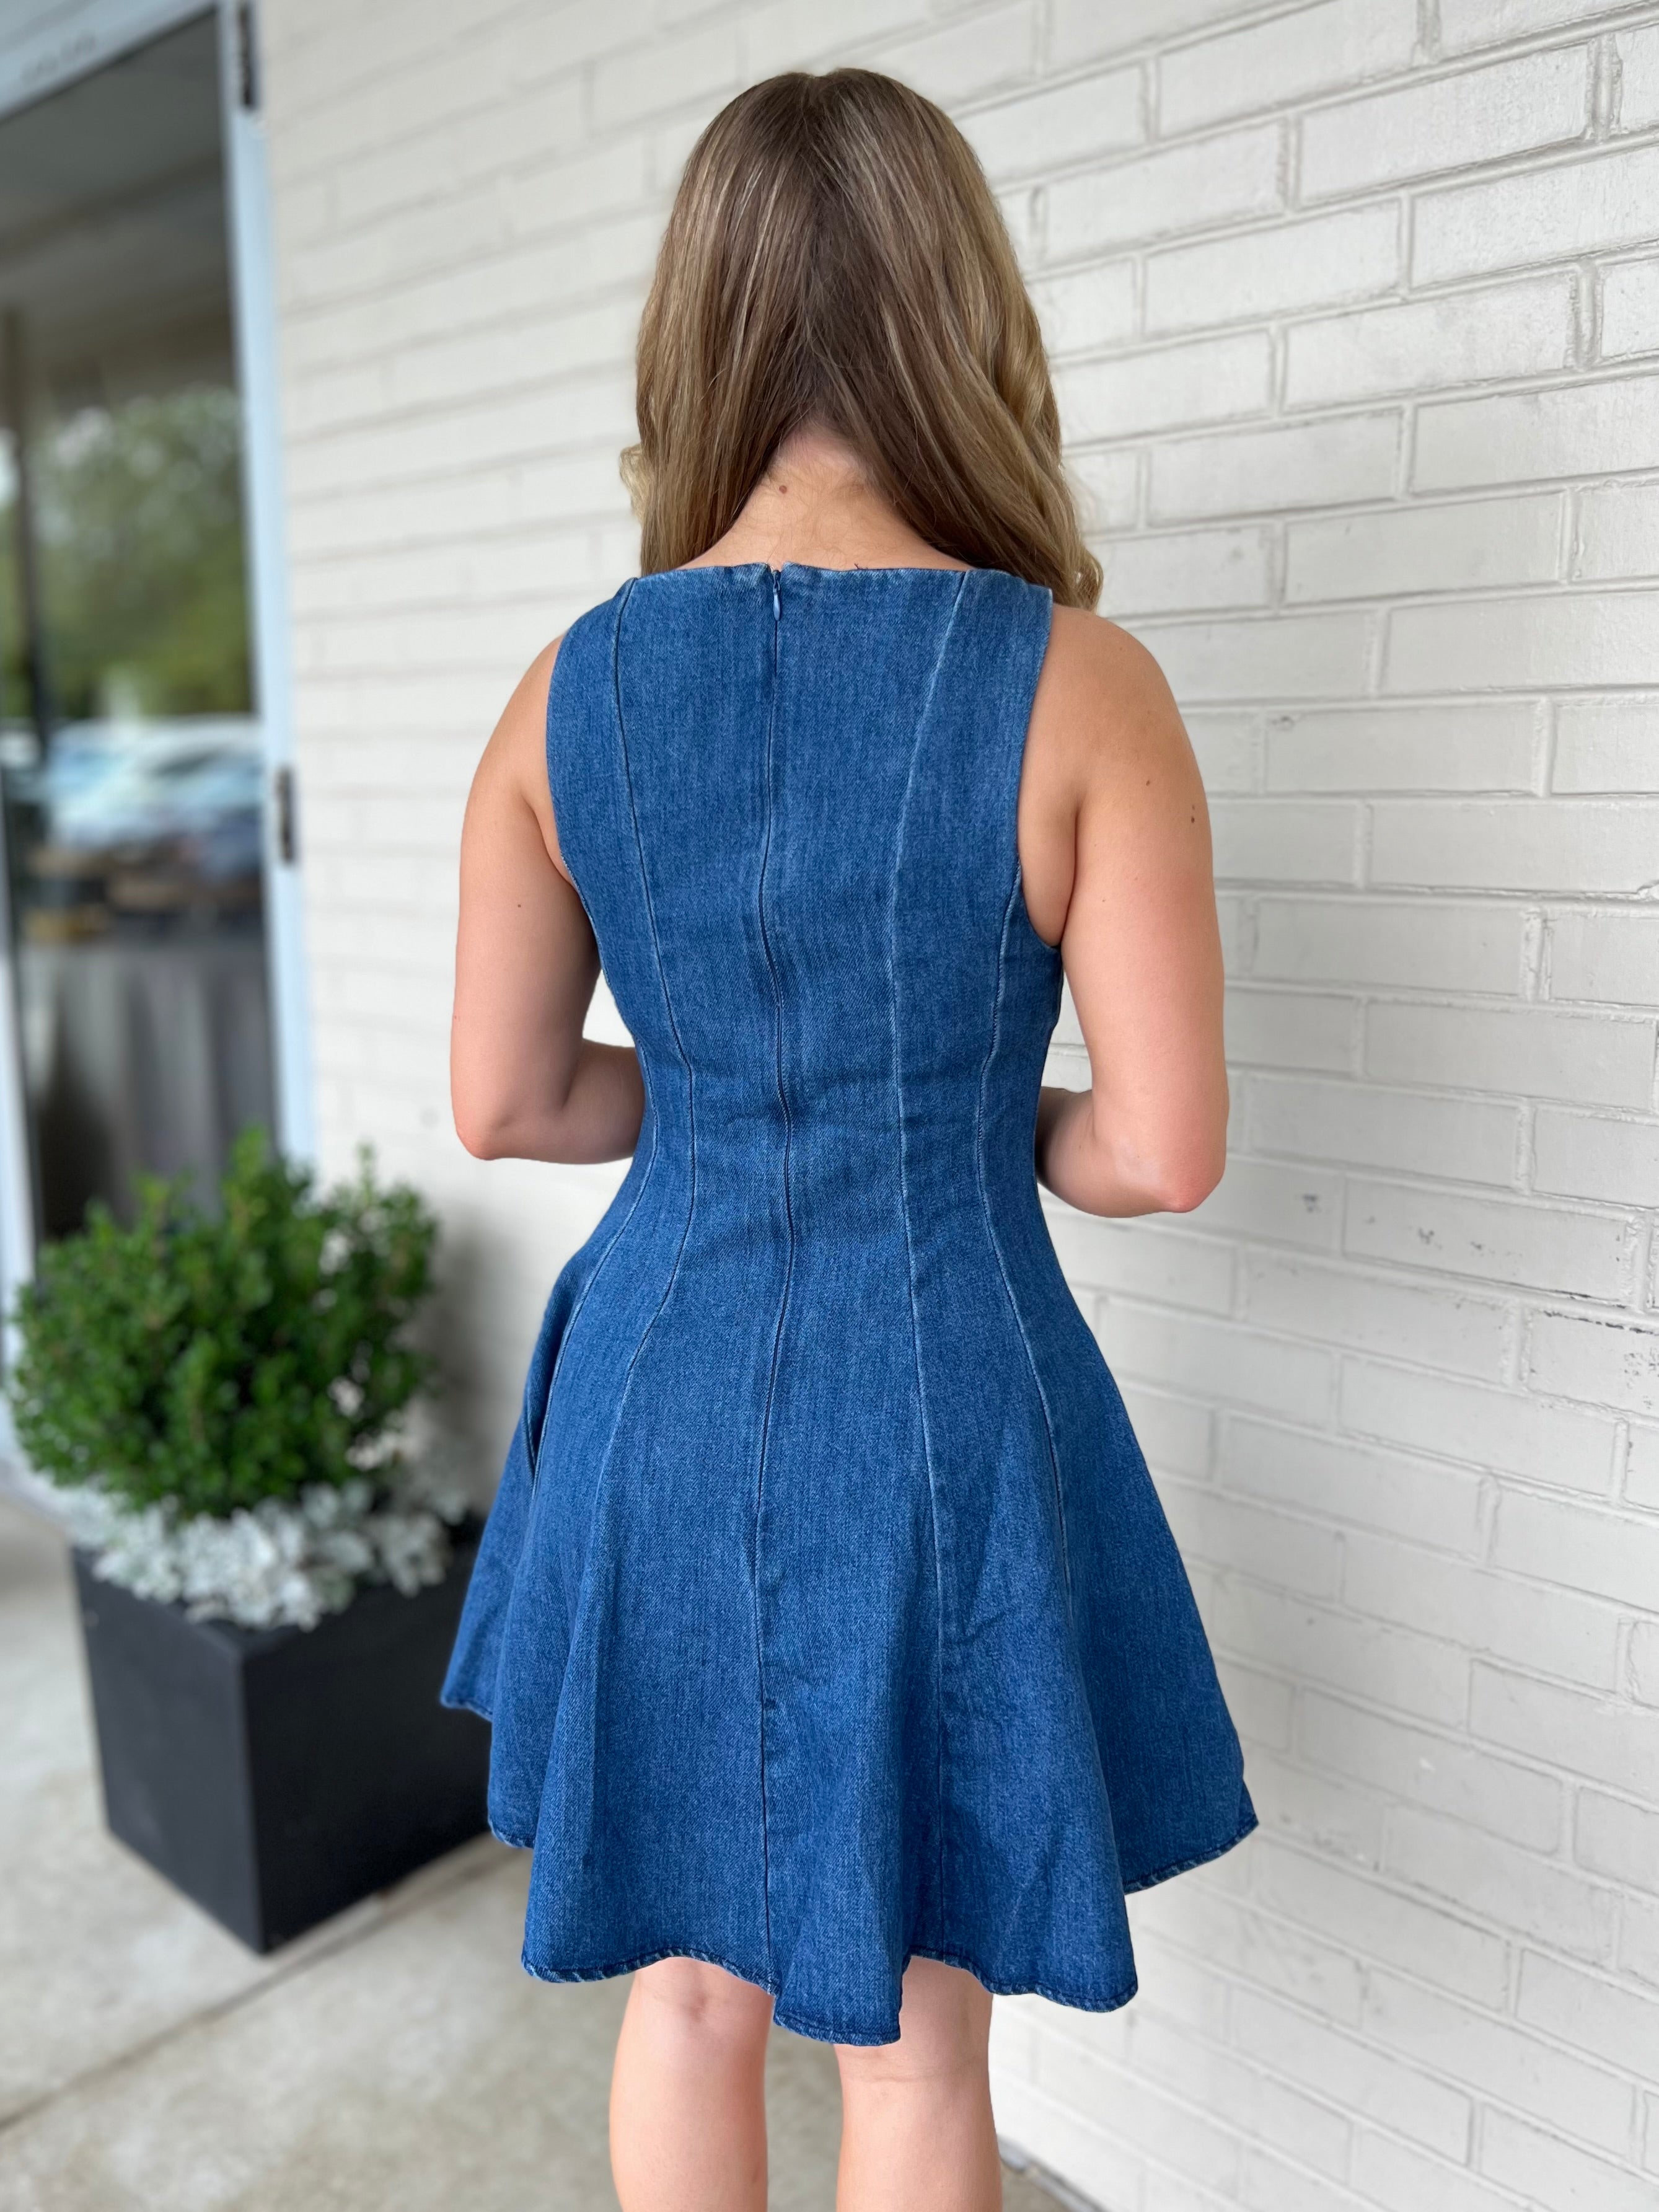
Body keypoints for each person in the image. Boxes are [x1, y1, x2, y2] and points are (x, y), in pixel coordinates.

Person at [442, 66, 1256, 2212]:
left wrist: (726, 1099)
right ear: (963, 315)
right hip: (935, 1400)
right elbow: (1162, 1148)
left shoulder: (565, 691)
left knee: (688, 1991)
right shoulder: (1080, 686)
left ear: (695, 332)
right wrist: (975, 1116)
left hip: (658, 1388)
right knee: (910, 2039)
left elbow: (509, 1098)